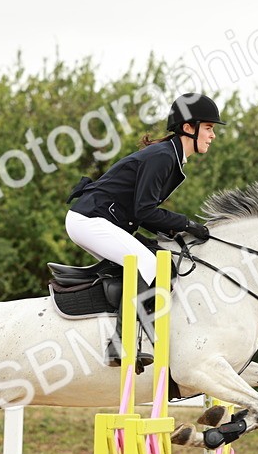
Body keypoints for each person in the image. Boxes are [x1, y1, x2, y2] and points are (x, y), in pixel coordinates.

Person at [65, 93, 225, 367]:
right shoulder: (163, 157)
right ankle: (120, 344)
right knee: (146, 263)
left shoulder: (171, 157)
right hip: (90, 220)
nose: (212, 136)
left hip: (102, 220)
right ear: (189, 127)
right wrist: (186, 224)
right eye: (208, 128)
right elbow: (144, 211)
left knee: (163, 263)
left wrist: (177, 233)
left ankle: (135, 331)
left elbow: (143, 213)